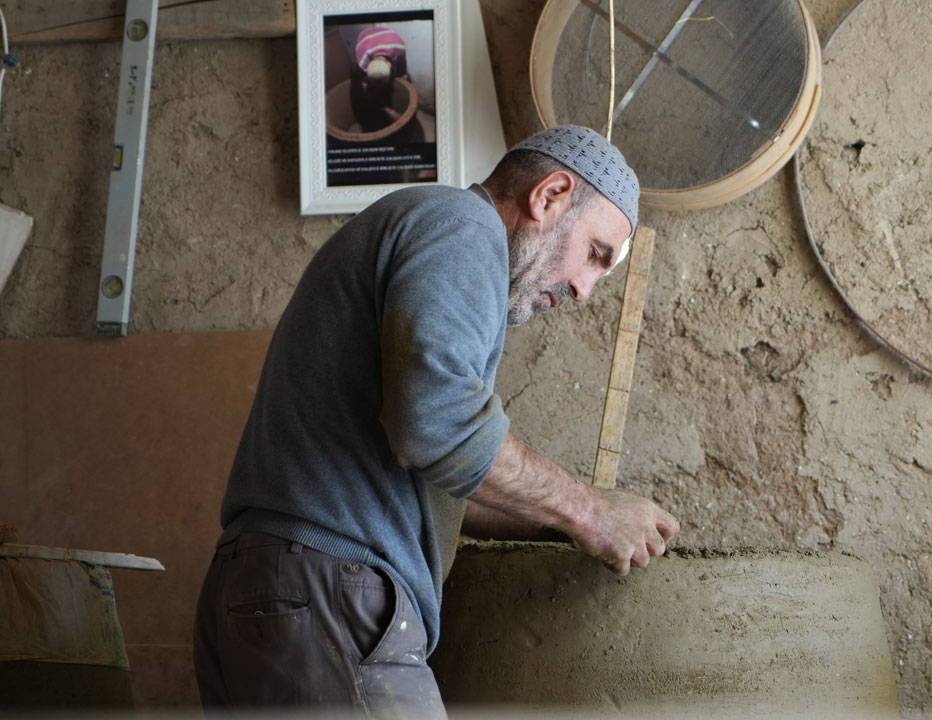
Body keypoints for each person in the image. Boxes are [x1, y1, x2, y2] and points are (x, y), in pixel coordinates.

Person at [192, 126, 679, 717]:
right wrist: (590, 509)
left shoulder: (426, 226)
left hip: (268, 591)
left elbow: (437, 475)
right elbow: (439, 424)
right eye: (595, 254)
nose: (583, 289)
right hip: (329, 592)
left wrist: (574, 525)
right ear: (550, 195)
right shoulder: (463, 228)